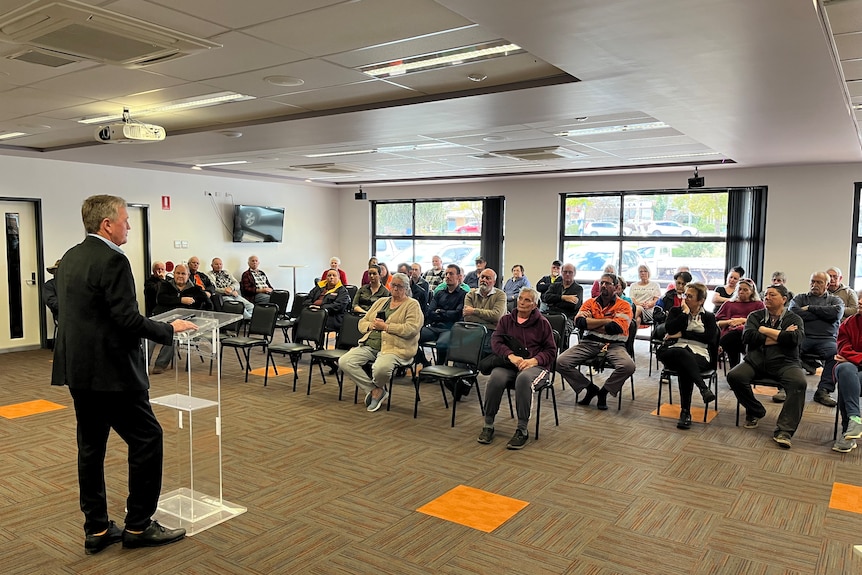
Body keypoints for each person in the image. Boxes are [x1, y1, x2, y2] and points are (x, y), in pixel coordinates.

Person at [51, 195, 197, 554]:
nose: (129, 226)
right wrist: (170, 329)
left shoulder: (70, 257)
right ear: (107, 225)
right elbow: (126, 319)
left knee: (90, 447)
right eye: (125, 220)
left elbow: (70, 310)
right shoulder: (114, 260)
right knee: (148, 438)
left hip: (78, 369)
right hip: (113, 373)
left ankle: (97, 529)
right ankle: (139, 525)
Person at [726, 284, 806, 448]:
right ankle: (755, 410)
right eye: (765, 295)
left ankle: (784, 431)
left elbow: (795, 339)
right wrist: (780, 335)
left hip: (786, 363)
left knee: (799, 383)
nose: (767, 298)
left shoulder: (794, 319)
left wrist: (763, 331)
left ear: (784, 299)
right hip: (756, 361)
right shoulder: (755, 316)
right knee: (734, 376)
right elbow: (748, 336)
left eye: (772, 295)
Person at [477, 287, 556, 450]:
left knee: (524, 379)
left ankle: (522, 430)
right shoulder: (506, 320)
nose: (522, 302)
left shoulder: (542, 323)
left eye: (527, 300)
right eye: (520, 298)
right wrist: (510, 356)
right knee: (496, 377)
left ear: (535, 304)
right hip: (510, 363)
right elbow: (496, 342)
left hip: (536, 367)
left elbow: (551, 351)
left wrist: (534, 360)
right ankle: (488, 424)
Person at [339, 273, 422, 412]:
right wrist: (371, 325)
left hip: (395, 348)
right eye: (393, 285)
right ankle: (375, 390)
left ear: (406, 288)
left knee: (380, 369)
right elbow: (362, 322)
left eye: (399, 286)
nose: (395, 289)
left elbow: (411, 329)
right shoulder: (381, 301)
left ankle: (376, 391)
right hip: (370, 345)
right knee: (344, 361)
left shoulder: (412, 305)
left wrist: (387, 327)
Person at [556, 273, 635, 410]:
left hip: (614, 345)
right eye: (601, 283)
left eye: (607, 283)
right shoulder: (590, 302)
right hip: (589, 343)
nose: (603, 285)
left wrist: (591, 322)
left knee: (628, 366)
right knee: (560, 362)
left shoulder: (624, 306)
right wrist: (606, 320)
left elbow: (615, 328)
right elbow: (580, 323)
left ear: (616, 287)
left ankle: (604, 392)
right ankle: (590, 388)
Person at [655, 282, 718, 429]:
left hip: (699, 354)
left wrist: (682, 333)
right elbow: (670, 329)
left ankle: (685, 412)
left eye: (690, 296)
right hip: (673, 351)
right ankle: (703, 388)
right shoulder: (676, 311)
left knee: (685, 366)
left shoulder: (708, 317)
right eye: (685, 295)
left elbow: (710, 338)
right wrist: (684, 313)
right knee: (682, 353)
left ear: (701, 300)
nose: (685, 298)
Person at [788, 271, 844, 406]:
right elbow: (794, 313)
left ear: (827, 284)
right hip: (803, 337)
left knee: (835, 355)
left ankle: (823, 391)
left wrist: (810, 309)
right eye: (813, 281)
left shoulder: (835, 300)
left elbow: (836, 314)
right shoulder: (800, 298)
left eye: (819, 282)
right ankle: (786, 387)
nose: (815, 285)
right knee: (789, 348)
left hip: (827, 339)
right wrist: (823, 314)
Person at [151, 264, 210, 374]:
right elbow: (161, 299)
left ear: (188, 275)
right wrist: (180, 300)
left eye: (183, 273)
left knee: (173, 336)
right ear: (174, 274)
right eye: (178, 273)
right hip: (162, 318)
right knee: (149, 335)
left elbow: (208, 304)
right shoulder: (165, 285)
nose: (180, 276)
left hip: (183, 323)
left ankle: (160, 365)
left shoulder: (195, 290)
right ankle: (143, 363)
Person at [417, 264, 467, 366]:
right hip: (434, 327)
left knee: (442, 344)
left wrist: (440, 312)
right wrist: (445, 314)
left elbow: (457, 314)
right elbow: (429, 312)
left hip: (450, 328)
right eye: (446, 274)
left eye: (451, 274)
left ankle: (439, 368)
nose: (447, 276)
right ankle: (425, 363)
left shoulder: (463, 294)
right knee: (412, 336)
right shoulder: (439, 293)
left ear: (459, 276)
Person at [831, 307, 862, 452]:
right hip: (850, 369)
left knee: (847, 380)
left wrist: (855, 358)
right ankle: (854, 421)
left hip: (853, 365)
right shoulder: (849, 322)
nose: (860, 301)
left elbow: (847, 356)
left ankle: (848, 432)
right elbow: (843, 349)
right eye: (860, 297)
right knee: (845, 371)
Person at [715, 278, 764, 368]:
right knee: (733, 340)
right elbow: (717, 322)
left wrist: (743, 320)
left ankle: (721, 347)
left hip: (748, 334)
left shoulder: (758, 304)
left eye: (745, 290)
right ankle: (735, 368)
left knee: (737, 336)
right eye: (739, 289)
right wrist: (730, 322)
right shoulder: (729, 304)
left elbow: (762, 322)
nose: (741, 292)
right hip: (730, 333)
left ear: (752, 291)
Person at [463, 268, 507, 350]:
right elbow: (467, 318)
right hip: (472, 329)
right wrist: (491, 320)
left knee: (483, 349)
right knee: (458, 348)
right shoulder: (470, 294)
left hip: (491, 331)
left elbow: (496, 316)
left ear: (494, 282)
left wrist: (473, 311)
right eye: (482, 277)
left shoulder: (500, 295)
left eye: (488, 278)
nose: (484, 280)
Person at [542, 262, 583, 332]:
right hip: (551, 314)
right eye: (565, 272)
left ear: (574, 274)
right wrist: (563, 297)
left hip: (567, 318)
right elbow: (546, 297)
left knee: (560, 329)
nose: (567, 274)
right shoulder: (555, 285)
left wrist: (554, 302)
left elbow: (573, 306)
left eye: (570, 272)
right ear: (561, 272)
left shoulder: (578, 289)